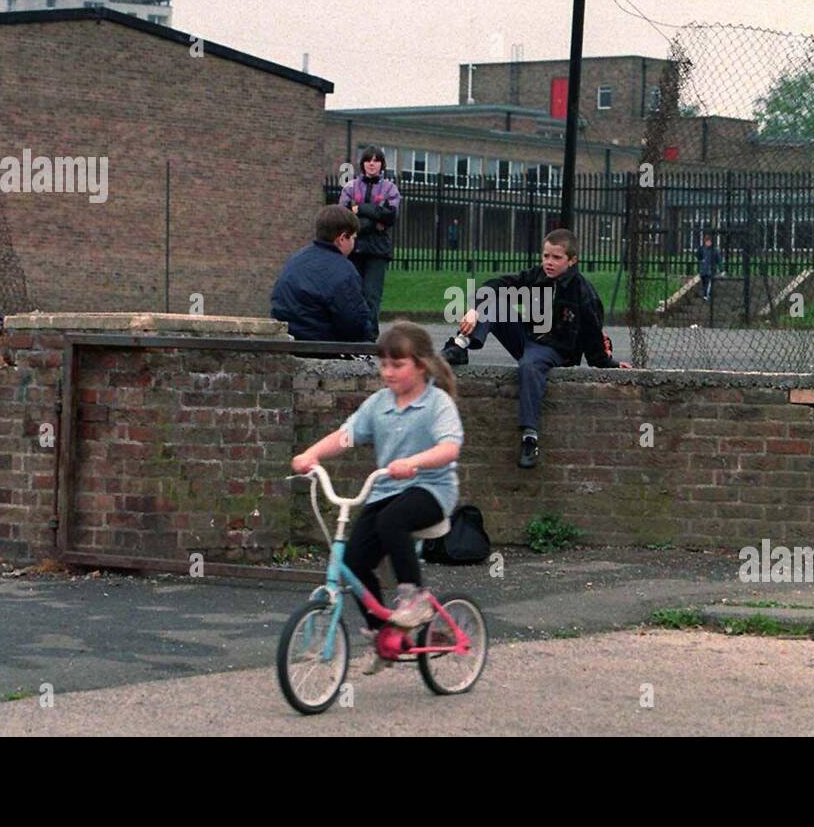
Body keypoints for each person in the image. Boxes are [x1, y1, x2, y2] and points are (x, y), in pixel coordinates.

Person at [291, 322, 463, 674]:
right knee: (352, 561)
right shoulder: (379, 404)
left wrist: (413, 463)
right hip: (385, 490)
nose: (388, 372)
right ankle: (385, 635)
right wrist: (311, 455)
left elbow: (449, 447)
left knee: (392, 520)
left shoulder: (437, 402)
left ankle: (414, 597)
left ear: (420, 365)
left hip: (431, 490)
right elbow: (346, 435)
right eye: (383, 364)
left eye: (397, 365)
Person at [440, 228, 630, 469]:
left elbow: (593, 344)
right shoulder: (537, 276)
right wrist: (475, 308)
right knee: (494, 302)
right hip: (529, 339)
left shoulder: (584, 294)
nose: (549, 262)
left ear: (572, 261)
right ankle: (460, 346)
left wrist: (611, 364)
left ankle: (530, 436)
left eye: (556, 258)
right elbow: (499, 284)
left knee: (528, 365)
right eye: (546, 256)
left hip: (557, 351)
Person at [269, 205, 374, 343]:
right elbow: (354, 322)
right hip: (322, 345)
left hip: (289, 340)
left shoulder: (296, 259)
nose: (354, 243)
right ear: (342, 238)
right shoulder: (343, 269)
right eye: (353, 238)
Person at [339, 146, 401, 336]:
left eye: (376, 160)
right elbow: (343, 214)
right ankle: (353, 333)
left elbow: (390, 216)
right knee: (353, 293)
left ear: (382, 164)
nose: (371, 164)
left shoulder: (390, 189)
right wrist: (375, 216)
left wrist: (360, 209)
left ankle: (370, 336)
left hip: (377, 251)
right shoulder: (350, 187)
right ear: (363, 164)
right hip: (354, 248)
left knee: (372, 295)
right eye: (368, 160)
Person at [696, 232, 719, 301]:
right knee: (704, 283)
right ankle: (706, 294)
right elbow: (698, 256)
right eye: (707, 241)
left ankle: (706, 295)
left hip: (710, 270)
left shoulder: (714, 250)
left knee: (708, 282)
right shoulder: (701, 249)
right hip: (703, 269)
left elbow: (718, 259)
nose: (708, 243)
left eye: (709, 241)